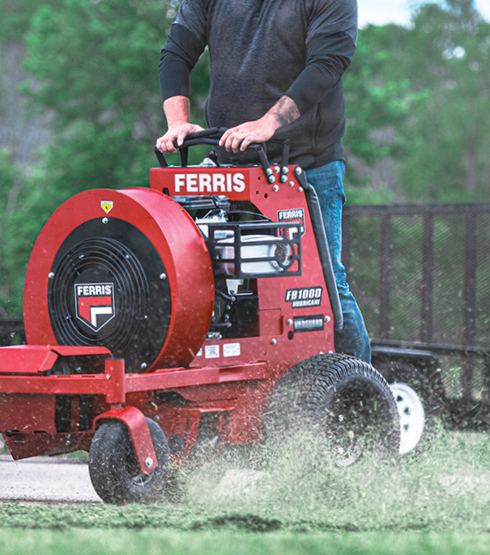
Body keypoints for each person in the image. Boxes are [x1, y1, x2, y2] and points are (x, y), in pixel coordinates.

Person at [155, 0, 370, 363]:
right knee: (213, 275)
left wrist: (270, 122)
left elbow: (327, 62)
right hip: (229, 163)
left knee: (325, 283)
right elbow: (176, 53)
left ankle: (363, 398)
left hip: (304, 163)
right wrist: (177, 123)